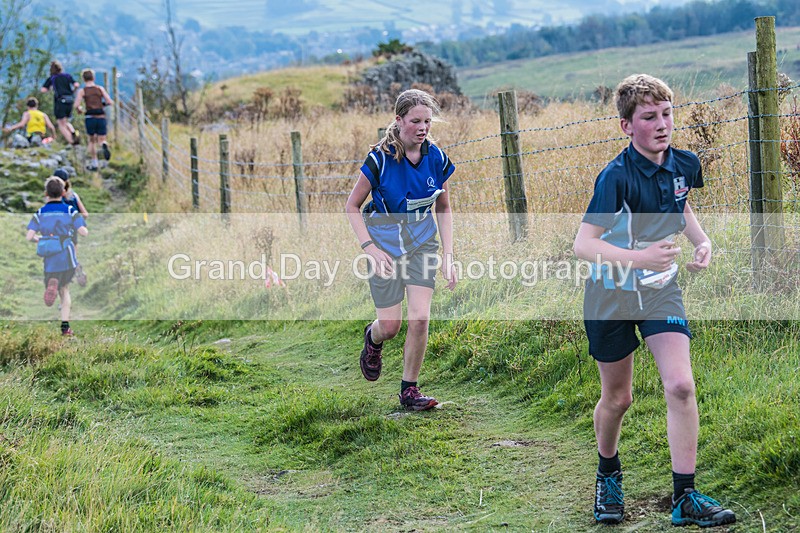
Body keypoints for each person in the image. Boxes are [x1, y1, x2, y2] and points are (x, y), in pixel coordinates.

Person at [572, 74, 736, 527]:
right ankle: (608, 474)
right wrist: (638, 256)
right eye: (649, 117)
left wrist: (702, 241)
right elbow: (583, 244)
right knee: (618, 398)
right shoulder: (615, 177)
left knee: (681, 385)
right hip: (610, 295)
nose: (662, 124)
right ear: (627, 126)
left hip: (662, 289)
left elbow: (678, 204)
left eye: (667, 114)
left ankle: (685, 496)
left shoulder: (684, 162)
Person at [345, 88, 457, 411]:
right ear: (399, 120)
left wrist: (448, 255)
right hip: (384, 247)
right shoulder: (379, 159)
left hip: (422, 244)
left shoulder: (436, 158)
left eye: (428, 121)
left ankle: (409, 391)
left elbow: (444, 208)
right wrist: (369, 248)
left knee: (420, 318)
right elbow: (352, 206)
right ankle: (373, 337)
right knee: (391, 327)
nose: (423, 128)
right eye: (416, 121)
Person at [26, 175, 88, 336]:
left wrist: (41, 238)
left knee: (54, 281)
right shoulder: (69, 210)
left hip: (50, 259)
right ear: (63, 192)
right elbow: (84, 232)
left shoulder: (40, 212)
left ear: (46, 193)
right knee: (65, 290)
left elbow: (29, 236)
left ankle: (51, 283)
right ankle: (65, 327)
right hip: (66, 255)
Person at [73, 68, 114, 171]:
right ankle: (104, 145)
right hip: (101, 116)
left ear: (83, 79)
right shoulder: (100, 89)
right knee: (102, 139)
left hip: (90, 117)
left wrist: (80, 109)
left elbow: (76, 105)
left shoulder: (82, 91)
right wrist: (101, 105)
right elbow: (110, 101)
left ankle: (94, 163)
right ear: (93, 78)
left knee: (91, 140)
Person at [55, 168, 88, 287]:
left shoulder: (54, 199)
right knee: (70, 259)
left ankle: (63, 297)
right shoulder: (74, 196)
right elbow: (85, 214)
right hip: (73, 233)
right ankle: (76, 270)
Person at [41, 60, 80, 145]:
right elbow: (76, 84)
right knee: (65, 121)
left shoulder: (52, 78)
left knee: (60, 123)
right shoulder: (67, 76)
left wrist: (50, 89)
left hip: (60, 101)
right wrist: (73, 91)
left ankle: (71, 141)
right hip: (70, 100)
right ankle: (73, 132)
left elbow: (43, 90)